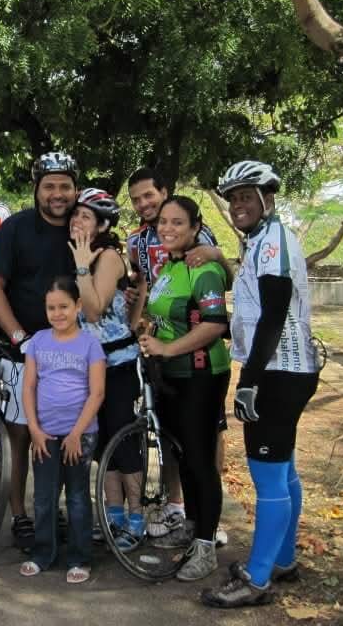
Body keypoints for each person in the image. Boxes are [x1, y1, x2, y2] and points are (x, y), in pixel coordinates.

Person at [201, 161, 320, 608]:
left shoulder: (273, 243)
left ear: (267, 198)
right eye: (233, 199)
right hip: (287, 369)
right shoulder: (262, 242)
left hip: (277, 373)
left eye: (246, 196)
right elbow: (258, 314)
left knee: (268, 478)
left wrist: (248, 381)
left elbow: (274, 313)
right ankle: (281, 560)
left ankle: (256, 579)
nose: (237, 205)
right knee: (284, 470)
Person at [125, 168, 231, 546]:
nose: (166, 227)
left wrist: (168, 347)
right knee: (182, 451)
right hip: (169, 369)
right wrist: (142, 326)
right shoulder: (156, 256)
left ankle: (207, 536)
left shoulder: (200, 254)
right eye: (137, 200)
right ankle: (187, 520)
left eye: (176, 222)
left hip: (201, 370)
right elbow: (148, 297)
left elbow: (217, 315)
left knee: (202, 455)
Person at [0, 152, 78, 552]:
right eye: (50, 186)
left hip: (71, 353)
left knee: (61, 435)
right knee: (20, 436)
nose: (58, 194)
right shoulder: (15, 228)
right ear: (37, 188)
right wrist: (19, 335)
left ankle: (49, 509)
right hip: (21, 350)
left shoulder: (85, 227)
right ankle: (20, 515)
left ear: (75, 189)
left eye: (65, 186)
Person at [67, 188, 143, 550]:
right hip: (90, 366)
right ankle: (113, 516)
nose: (76, 220)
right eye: (76, 214)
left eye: (85, 216)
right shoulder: (76, 254)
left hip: (119, 365)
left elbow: (95, 309)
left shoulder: (108, 256)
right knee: (102, 448)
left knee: (122, 442)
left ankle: (136, 519)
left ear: (102, 224)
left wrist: (83, 266)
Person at [19, 276, 105, 584]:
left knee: (78, 497)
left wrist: (75, 434)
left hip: (79, 435)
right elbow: (28, 387)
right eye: (51, 308)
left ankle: (80, 558)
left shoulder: (90, 344)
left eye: (64, 307)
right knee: (44, 497)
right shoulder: (38, 342)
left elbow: (96, 393)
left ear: (78, 306)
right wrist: (34, 429)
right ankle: (43, 553)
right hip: (45, 434)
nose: (58, 313)